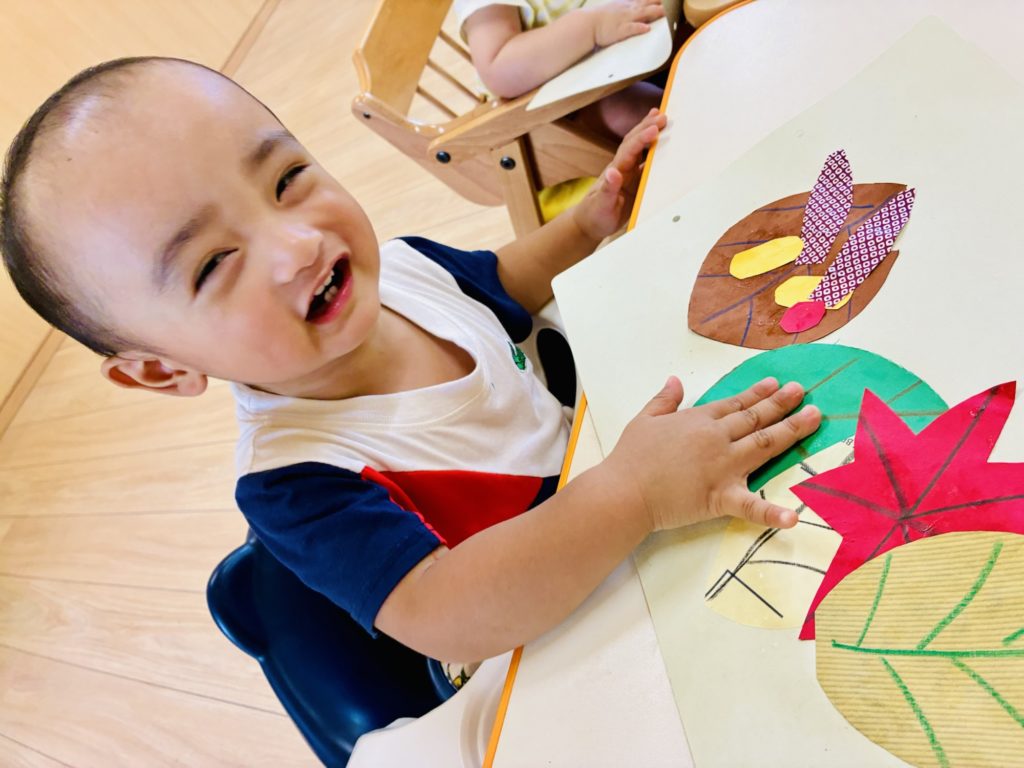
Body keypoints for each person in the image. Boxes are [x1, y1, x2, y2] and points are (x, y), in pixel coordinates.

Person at [0, 57, 820, 670]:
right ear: (160, 370)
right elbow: (447, 614)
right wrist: (633, 492)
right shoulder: (297, 483)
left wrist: (585, 226)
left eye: (286, 178)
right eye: (214, 264)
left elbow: (502, 282)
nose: (297, 245)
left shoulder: (403, 268)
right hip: (567, 638)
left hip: (633, 482)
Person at [456, 0, 667, 137]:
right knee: (642, 110)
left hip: (621, 48)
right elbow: (497, 69)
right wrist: (593, 25)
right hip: (558, 102)